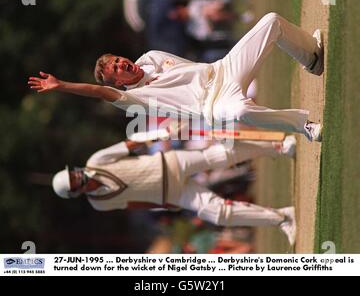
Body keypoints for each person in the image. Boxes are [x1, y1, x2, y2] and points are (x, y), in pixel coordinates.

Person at [28, 12, 324, 141]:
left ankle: (311, 56)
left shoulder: (151, 56)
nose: (122, 64)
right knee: (241, 110)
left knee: (271, 21)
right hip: (213, 105)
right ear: (117, 83)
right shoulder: (132, 99)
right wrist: (61, 85)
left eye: (118, 60)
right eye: (116, 70)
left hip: (222, 69)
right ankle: (304, 126)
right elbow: (98, 92)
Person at [51, 136, 297, 245]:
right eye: (75, 181)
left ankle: (279, 146)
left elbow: (127, 145)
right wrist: (164, 205)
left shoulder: (96, 161)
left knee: (218, 155)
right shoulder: (99, 204)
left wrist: (157, 136)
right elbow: (131, 205)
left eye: (74, 173)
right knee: (218, 214)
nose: (78, 175)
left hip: (171, 163)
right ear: (77, 192)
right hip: (172, 194)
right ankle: (282, 218)